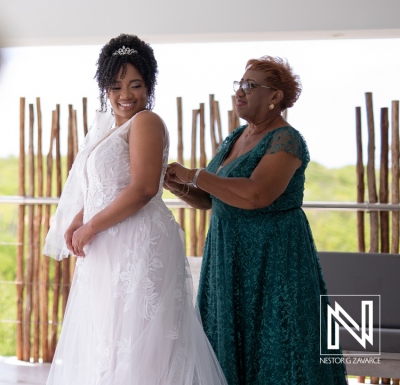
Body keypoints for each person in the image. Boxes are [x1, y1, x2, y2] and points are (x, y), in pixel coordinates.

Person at [43, 34, 227, 385]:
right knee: (109, 342)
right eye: (115, 86)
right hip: (109, 245)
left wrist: (91, 226)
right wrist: (80, 218)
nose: (125, 95)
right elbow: (102, 185)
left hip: (138, 242)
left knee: (141, 345)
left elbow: (143, 188)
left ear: (149, 85)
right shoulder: (108, 129)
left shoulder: (146, 122)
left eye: (135, 85)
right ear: (104, 88)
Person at [165, 56, 348, 385]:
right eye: (240, 84)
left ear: (275, 96)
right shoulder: (233, 138)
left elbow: (256, 195)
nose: (240, 91)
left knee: (280, 344)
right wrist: (180, 188)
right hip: (228, 257)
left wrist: (195, 174)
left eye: (251, 85)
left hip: (273, 258)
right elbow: (210, 200)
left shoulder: (287, 140)